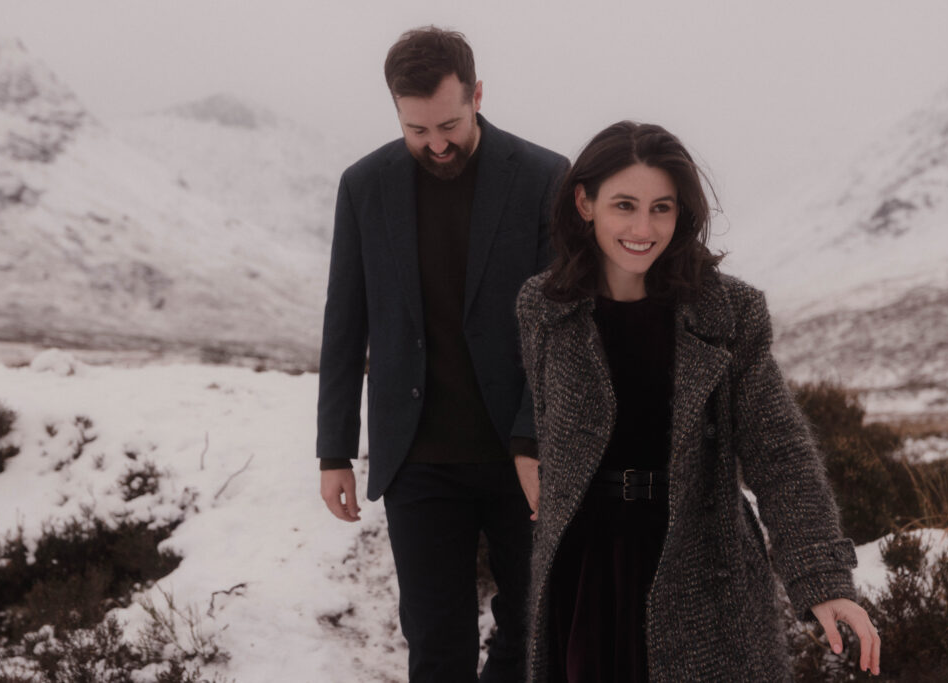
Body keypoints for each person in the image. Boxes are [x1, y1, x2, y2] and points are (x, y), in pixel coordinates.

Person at [514, 121, 881, 682]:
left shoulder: (729, 312)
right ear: (585, 203)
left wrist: (823, 581)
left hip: (701, 564)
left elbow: (780, 451)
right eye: (625, 205)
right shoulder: (545, 309)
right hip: (584, 571)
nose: (643, 227)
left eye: (662, 207)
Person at [316, 26, 568, 683]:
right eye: (416, 129)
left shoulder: (544, 176)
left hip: (524, 456)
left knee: (535, 633)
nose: (436, 143)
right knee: (436, 645)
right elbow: (345, 322)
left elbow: (561, 328)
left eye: (449, 124)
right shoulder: (363, 185)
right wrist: (334, 450)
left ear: (477, 93)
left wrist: (533, 438)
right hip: (417, 459)